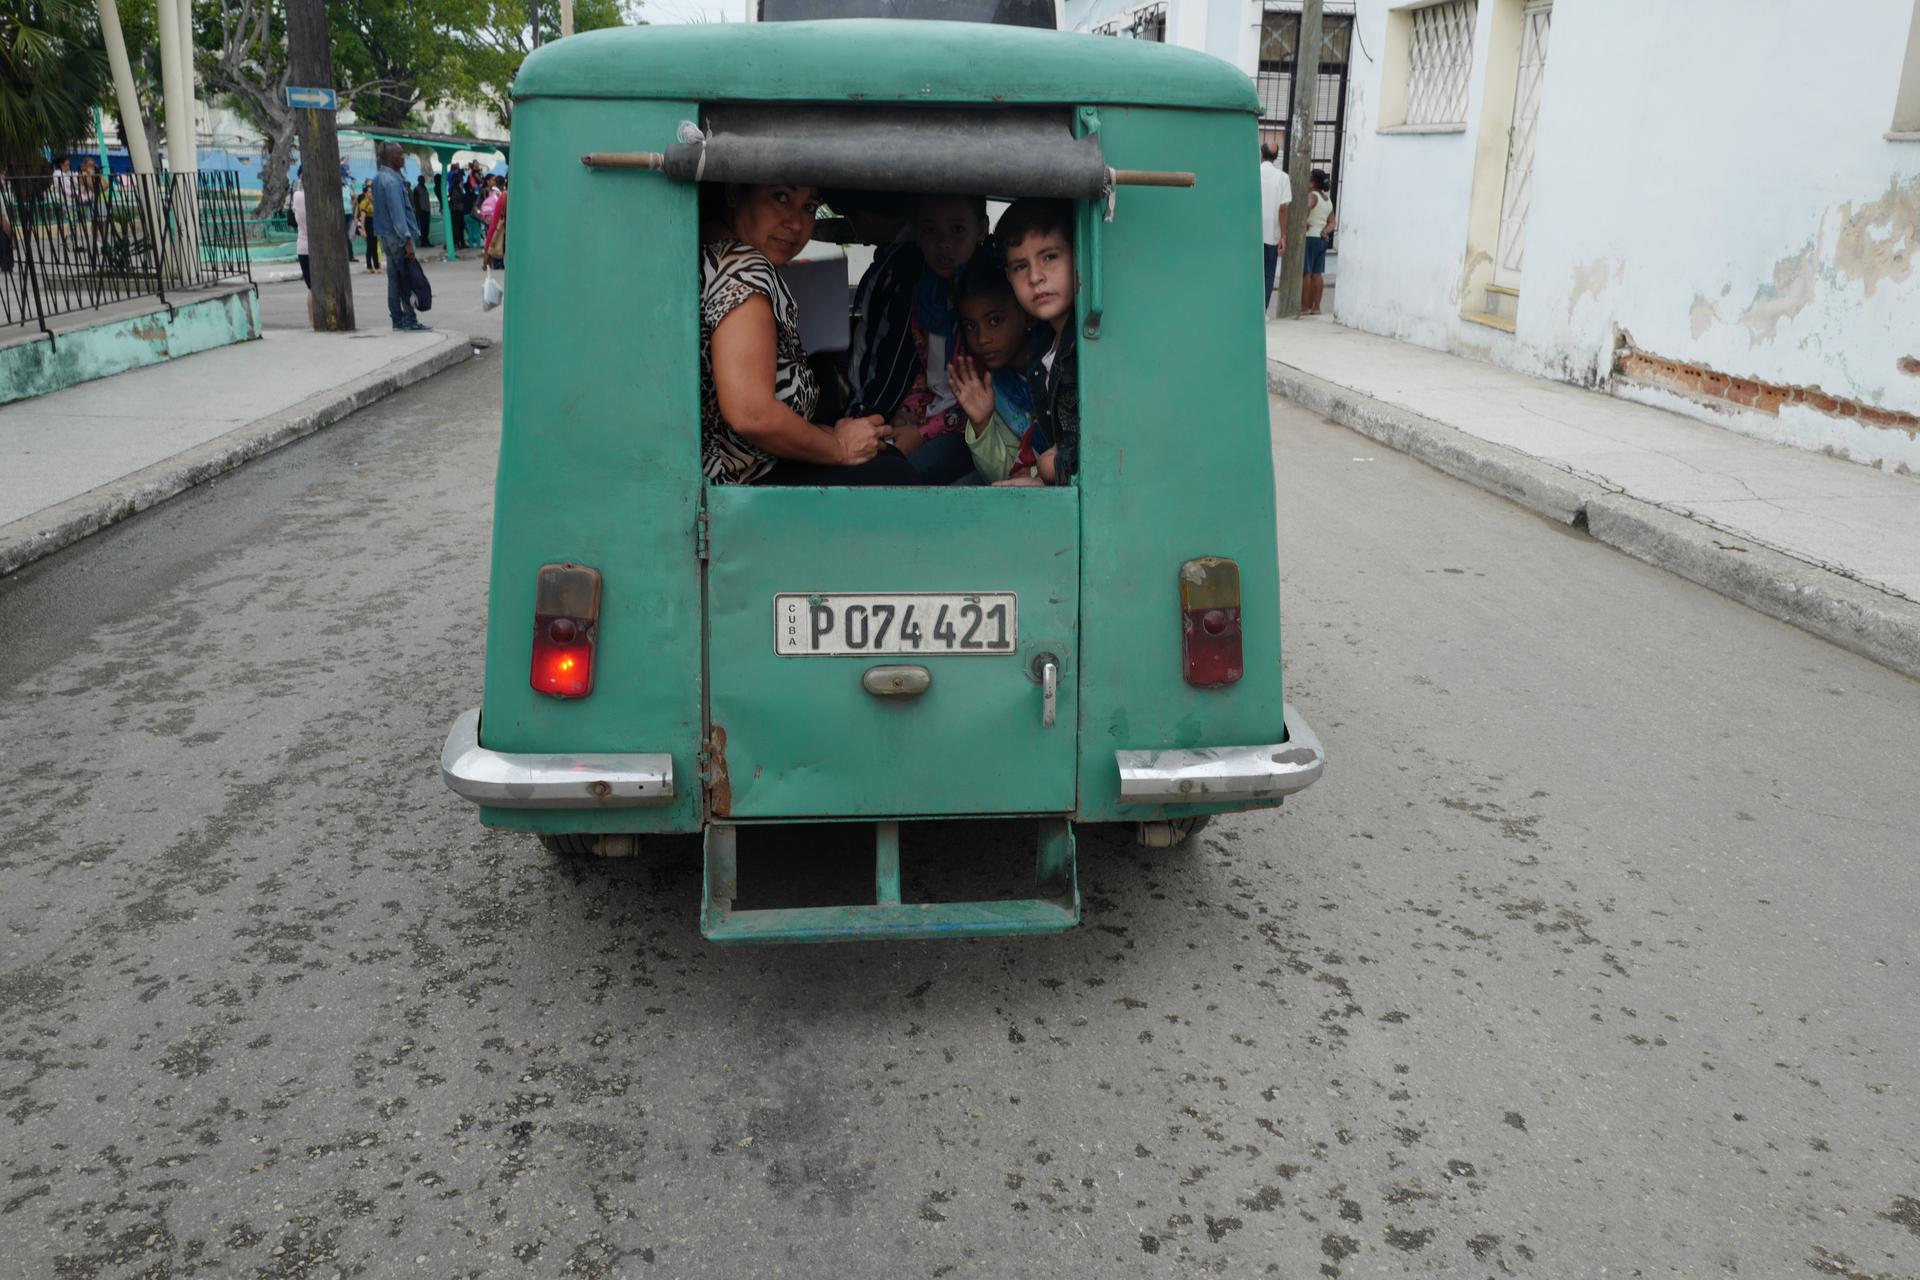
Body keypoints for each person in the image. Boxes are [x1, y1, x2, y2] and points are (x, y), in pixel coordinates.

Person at [701, 182, 920, 486]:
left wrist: (833, 434)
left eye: (808, 207)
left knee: (885, 457)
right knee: (897, 476)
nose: (795, 223)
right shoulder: (744, 272)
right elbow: (751, 414)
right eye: (780, 197)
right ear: (734, 193)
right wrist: (839, 448)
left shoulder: (712, 247)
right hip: (741, 478)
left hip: (747, 463)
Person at [843, 193, 986, 484]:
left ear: (981, 229)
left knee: (900, 475)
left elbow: (982, 393)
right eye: (930, 230)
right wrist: (907, 413)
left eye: (957, 230)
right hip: (928, 418)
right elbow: (925, 375)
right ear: (917, 234)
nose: (944, 243)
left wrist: (921, 433)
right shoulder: (922, 294)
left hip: (971, 426)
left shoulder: (984, 300)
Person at [997, 197, 1080, 486]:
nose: (1035, 277)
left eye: (1049, 257)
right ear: (1009, 276)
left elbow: (1088, 456)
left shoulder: (1086, 346)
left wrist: (1046, 468)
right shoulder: (1043, 342)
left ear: (1079, 254)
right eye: (1021, 266)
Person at [946, 244, 1033, 483]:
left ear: (1026, 313)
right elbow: (1004, 477)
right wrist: (982, 423)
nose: (982, 338)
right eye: (971, 326)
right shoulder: (996, 388)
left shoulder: (1055, 367)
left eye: (995, 320)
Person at [371, 141, 429, 332]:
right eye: (399, 154)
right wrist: (407, 241)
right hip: (397, 238)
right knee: (404, 280)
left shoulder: (379, 178)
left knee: (394, 279)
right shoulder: (391, 181)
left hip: (385, 235)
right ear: (389, 157)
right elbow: (397, 214)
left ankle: (398, 318)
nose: (403, 157)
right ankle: (408, 319)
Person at [1259, 140, 1289, 311]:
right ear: (1276, 158)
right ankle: (1262, 311)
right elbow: (1283, 208)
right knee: (1268, 274)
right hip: (1272, 234)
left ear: (1261, 154)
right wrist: (1283, 235)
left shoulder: (1252, 173)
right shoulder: (1283, 178)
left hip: (1253, 233)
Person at [1301, 168, 1335, 317]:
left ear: (1313, 183)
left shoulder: (1312, 196)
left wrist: (1304, 222)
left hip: (1309, 237)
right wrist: (1325, 231)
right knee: (1317, 273)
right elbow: (1332, 221)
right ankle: (1316, 307)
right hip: (1322, 240)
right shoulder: (1327, 199)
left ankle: (1305, 307)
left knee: (1306, 273)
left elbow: (1305, 209)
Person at [291, 171, 314, 328]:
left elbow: (294, 213)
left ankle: (312, 321)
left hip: (302, 246)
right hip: (318, 247)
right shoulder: (317, 198)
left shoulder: (297, 196)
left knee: (311, 287)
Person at [354, 181, 379, 272]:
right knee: (371, 246)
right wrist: (363, 229)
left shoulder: (372, 202)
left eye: (372, 192)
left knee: (373, 246)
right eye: (369, 192)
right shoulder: (364, 203)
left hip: (373, 224)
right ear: (365, 193)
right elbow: (363, 217)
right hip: (368, 224)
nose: (371, 194)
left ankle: (372, 266)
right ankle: (374, 266)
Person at [412, 172, 433, 248]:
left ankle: (426, 241)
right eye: (421, 180)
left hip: (426, 210)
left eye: (423, 179)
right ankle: (423, 242)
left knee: (426, 227)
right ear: (418, 180)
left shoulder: (425, 188)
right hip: (421, 211)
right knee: (422, 227)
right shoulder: (417, 189)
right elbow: (416, 201)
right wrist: (419, 210)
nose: (423, 181)